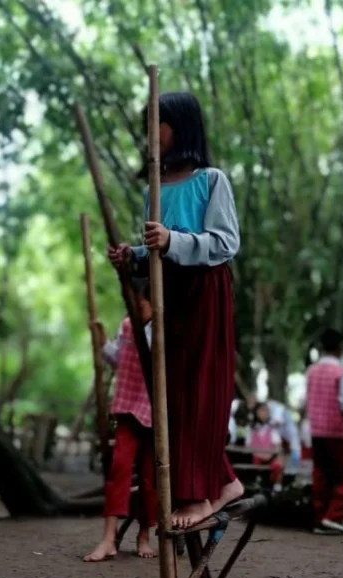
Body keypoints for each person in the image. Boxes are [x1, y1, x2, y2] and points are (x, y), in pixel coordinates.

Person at [109, 92, 244, 528]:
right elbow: (155, 248)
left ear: (180, 127)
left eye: (157, 124)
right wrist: (131, 256)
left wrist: (172, 241)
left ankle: (198, 496)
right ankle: (224, 482)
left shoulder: (211, 180)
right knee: (173, 395)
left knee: (202, 390)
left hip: (205, 290)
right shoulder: (155, 186)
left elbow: (225, 244)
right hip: (170, 295)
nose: (149, 135)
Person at [84, 286, 158, 562]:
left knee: (151, 478)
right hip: (128, 408)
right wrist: (103, 342)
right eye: (132, 303)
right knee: (119, 468)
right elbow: (120, 361)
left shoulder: (164, 329)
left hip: (154, 414)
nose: (136, 309)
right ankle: (108, 538)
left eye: (141, 304)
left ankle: (144, 534)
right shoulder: (127, 326)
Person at [306, 328, 343, 536]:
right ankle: (335, 516)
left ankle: (321, 516)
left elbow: (308, 402)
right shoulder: (342, 373)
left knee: (321, 475)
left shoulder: (311, 371)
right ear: (340, 349)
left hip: (316, 432)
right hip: (337, 432)